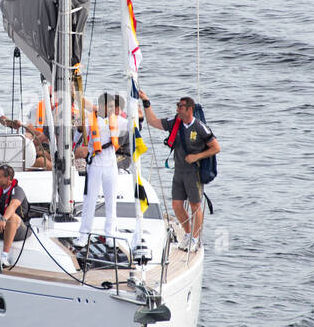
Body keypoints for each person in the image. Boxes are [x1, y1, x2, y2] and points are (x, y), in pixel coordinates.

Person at [141, 93, 219, 251]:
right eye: (177, 106)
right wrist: (146, 103)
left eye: (180, 107)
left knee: (195, 205)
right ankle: (188, 234)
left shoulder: (199, 127)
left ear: (189, 109)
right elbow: (153, 122)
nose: (177, 109)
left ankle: (195, 239)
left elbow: (216, 147)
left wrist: (197, 156)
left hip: (193, 172)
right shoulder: (175, 122)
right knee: (177, 205)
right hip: (179, 171)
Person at [74, 92, 130, 249]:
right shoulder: (88, 121)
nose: (113, 109)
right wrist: (78, 128)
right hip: (96, 164)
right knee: (90, 201)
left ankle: (110, 233)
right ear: (102, 106)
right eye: (110, 106)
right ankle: (84, 235)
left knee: (111, 201)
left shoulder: (117, 120)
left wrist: (138, 116)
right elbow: (76, 136)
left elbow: (132, 124)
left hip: (111, 164)